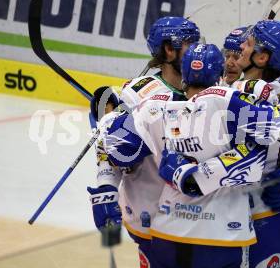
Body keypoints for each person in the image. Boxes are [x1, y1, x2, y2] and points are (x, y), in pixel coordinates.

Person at [101, 43, 280, 268]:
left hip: (167, 231)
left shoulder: (152, 108)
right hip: (222, 236)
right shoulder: (229, 100)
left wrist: (109, 115)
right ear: (220, 75)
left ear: (184, 76)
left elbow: (116, 147)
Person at [167, 20, 280, 268]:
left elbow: (247, 151)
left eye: (247, 44)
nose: (240, 48)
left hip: (263, 216)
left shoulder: (234, 96)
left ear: (262, 58)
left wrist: (183, 172)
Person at [86, 16, 200, 267]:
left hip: (200, 220)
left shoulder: (209, 82)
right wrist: (106, 185)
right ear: (169, 51)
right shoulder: (138, 94)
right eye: (189, 45)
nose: (197, 51)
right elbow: (110, 144)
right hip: (151, 217)